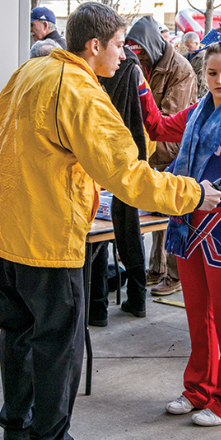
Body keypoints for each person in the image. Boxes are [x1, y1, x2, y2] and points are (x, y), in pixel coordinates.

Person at [0, 2, 221, 440]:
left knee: (16, 331)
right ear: (94, 46)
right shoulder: (81, 92)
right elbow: (127, 173)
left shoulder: (29, 73)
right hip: (45, 239)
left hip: (2, 230)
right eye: (117, 46)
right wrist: (191, 193)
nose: (123, 55)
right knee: (58, 341)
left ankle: (17, 423)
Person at [138, 25, 221, 427]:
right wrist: (138, 83)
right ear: (203, 73)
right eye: (212, 73)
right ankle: (198, 390)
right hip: (188, 223)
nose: (220, 81)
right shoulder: (195, 113)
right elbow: (157, 128)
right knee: (197, 316)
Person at [125, 15, 197, 297]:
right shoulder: (143, 63)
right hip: (148, 149)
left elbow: (169, 122)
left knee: (170, 214)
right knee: (156, 217)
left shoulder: (180, 68)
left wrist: (145, 149)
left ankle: (173, 273)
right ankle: (157, 269)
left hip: (169, 151)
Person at [89, 46, 152, 323]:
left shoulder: (95, 73)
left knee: (101, 234)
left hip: (104, 160)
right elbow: (146, 121)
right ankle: (136, 298)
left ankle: (98, 307)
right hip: (128, 158)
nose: (122, 54)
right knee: (128, 228)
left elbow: (149, 119)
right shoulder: (132, 70)